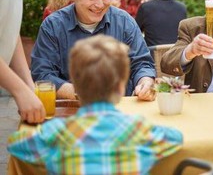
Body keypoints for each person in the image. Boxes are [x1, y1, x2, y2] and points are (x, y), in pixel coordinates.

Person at [8, 34, 183, 174]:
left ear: (75, 83)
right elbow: (176, 137)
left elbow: (15, 144)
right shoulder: (139, 130)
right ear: (121, 86)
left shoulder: (56, 133)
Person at [31, 0, 156, 101]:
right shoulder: (53, 26)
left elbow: (142, 63)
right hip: (72, 109)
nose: (100, 4)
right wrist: (83, 93)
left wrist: (145, 82)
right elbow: (42, 74)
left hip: (120, 108)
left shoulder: (124, 21)